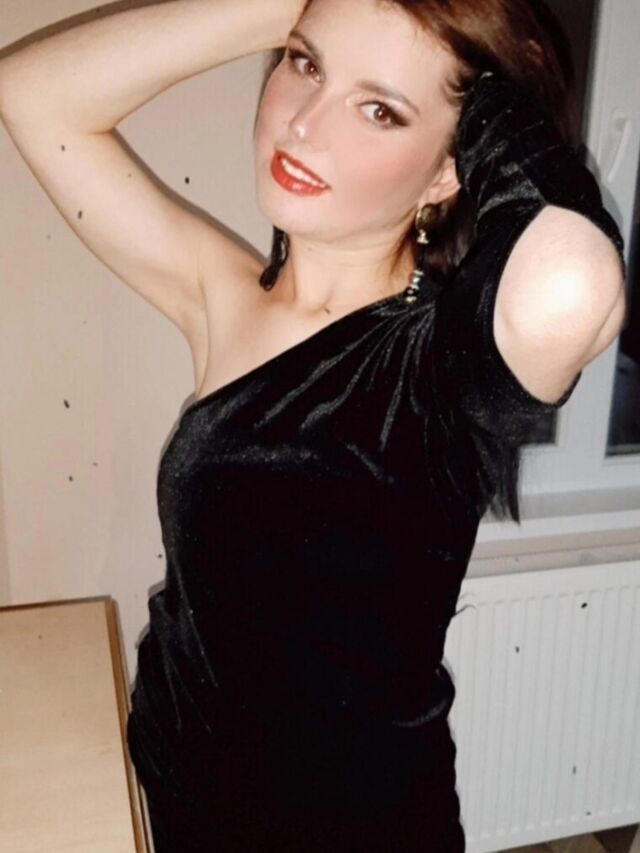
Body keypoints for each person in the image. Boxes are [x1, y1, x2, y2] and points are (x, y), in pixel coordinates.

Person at [0, 0, 626, 850]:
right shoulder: (225, 295)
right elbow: (32, 95)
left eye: (380, 111)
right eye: (304, 64)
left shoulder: (443, 369)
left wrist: (483, 92)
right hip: (166, 782)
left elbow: (572, 282)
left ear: (448, 172)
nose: (303, 124)